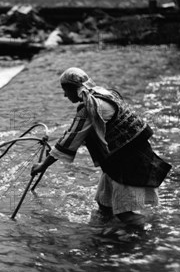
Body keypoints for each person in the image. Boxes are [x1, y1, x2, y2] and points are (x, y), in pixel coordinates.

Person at [31, 67, 171, 228]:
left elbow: (68, 142)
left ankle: (149, 238)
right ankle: (104, 237)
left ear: (71, 89)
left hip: (127, 162)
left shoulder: (89, 108)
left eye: (65, 90)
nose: (64, 95)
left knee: (125, 214)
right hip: (126, 157)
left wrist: (43, 165)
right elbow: (83, 133)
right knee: (104, 204)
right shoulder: (105, 94)